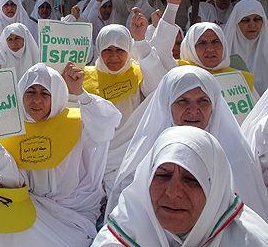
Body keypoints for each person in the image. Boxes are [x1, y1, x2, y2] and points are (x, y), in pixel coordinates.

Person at [0, 126, 268, 247]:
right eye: (162, 175)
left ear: (215, 188)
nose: (174, 191)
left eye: (192, 179)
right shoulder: (135, 222)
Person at [0, 63, 121, 247]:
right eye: (30, 92)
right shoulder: (11, 128)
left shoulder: (76, 124)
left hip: (71, 215)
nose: (36, 100)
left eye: (44, 93)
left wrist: (80, 93)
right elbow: (11, 185)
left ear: (56, 95)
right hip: (28, 206)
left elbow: (108, 122)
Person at [108, 65, 268, 222]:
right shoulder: (144, 156)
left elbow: (249, 217)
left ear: (214, 105)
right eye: (183, 101)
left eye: (203, 101)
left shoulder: (237, 157)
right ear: (167, 104)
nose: (193, 110)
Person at [222, 0, 268, 94]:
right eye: (245, 20)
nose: (252, 25)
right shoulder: (223, 53)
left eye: (257, 19)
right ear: (236, 23)